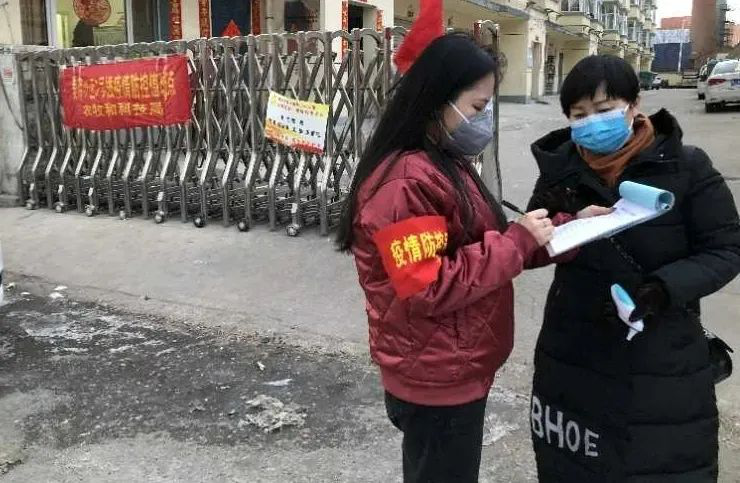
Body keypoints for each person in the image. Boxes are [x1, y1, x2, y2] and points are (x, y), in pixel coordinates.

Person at [335, 33, 610, 482]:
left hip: (452, 364)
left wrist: (569, 227)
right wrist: (518, 241)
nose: (485, 120)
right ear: (437, 100)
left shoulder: (443, 160)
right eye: (478, 107)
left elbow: (488, 243)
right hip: (435, 377)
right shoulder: (405, 181)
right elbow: (426, 286)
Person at [527, 54, 740, 482]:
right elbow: (533, 244)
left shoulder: (686, 166)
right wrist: (557, 225)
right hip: (574, 347)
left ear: (634, 104)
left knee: (660, 462)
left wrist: (662, 289)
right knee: (575, 466)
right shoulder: (560, 172)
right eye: (579, 115)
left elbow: (726, 248)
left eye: (604, 109)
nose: (592, 122)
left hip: (661, 352)